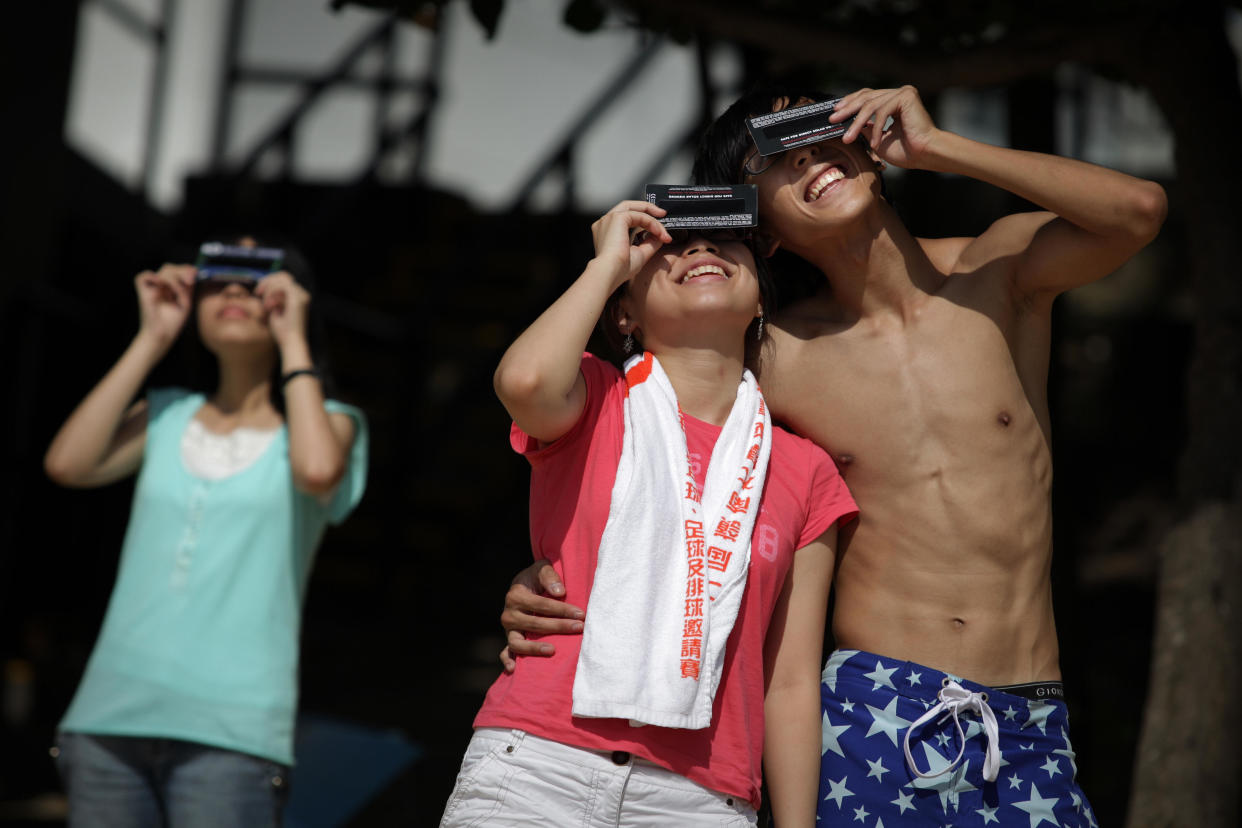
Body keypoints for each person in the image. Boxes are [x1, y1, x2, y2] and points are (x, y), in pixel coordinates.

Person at [500, 85, 1167, 825]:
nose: (806, 153)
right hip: (875, 707)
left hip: (1030, 715)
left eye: (816, 126)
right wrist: (552, 574)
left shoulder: (999, 274)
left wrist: (939, 147)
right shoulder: (773, 355)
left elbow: (1136, 212)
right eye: (771, 157)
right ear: (763, 231)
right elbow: (636, 451)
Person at [440, 201, 857, 827]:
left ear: (761, 302)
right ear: (625, 313)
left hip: (701, 799)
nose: (698, 250)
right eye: (669, 245)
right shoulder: (594, 397)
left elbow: (790, 680)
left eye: (723, 242)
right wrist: (607, 262)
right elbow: (524, 382)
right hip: (537, 764)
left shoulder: (805, 468)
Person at [43, 239, 368, 827]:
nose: (237, 291)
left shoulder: (331, 425)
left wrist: (294, 336)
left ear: (294, 300)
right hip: (106, 721)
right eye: (217, 277)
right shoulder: (166, 412)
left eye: (262, 278)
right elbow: (68, 464)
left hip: (235, 732)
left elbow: (317, 471)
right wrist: (152, 338)